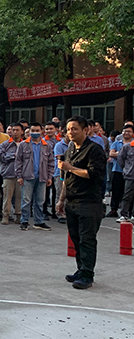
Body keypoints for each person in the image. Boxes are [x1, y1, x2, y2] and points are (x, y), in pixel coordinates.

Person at [56, 116, 107, 290]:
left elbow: (93, 174)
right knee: (76, 238)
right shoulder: (70, 148)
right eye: (68, 129)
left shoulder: (94, 150)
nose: (70, 132)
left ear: (85, 130)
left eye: (74, 129)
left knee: (87, 240)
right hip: (72, 201)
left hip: (88, 202)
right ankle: (81, 269)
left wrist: (70, 168)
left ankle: (87, 274)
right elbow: (66, 177)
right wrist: (61, 200)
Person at [14, 122, 54, 231]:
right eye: (33, 131)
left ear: (42, 131)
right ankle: (24, 221)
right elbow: (18, 162)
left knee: (40, 201)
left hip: (42, 177)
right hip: (27, 177)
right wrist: (19, 176)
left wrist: (49, 177)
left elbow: (51, 162)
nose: (35, 133)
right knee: (26, 200)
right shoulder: (23, 145)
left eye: (37, 131)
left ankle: (39, 221)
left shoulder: (47, 146)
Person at [0, 122, 24, 225]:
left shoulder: (25, 144)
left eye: (17, 130)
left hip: (21, 175)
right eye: (13, 130)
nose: (15, 132)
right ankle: (6, 215)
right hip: (8, 174)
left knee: (20, 196)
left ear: (22, 132)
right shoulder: (6, 144)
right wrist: (13, 155)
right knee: (7, 197)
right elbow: (0, 155)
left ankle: (19, 215)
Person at [109, 125, 133, 220]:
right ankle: (122, 213)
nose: (126, 133)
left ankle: (132, 214)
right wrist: (126, 168)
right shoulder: (124, 146)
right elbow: (120, 159)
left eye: (129, 131)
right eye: (125, 131)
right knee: (124, 194)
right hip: (126, 173)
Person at [116, 126, 134, 222]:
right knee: (127, 195)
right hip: (130, 175)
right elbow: (120, 159)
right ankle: (124, 214)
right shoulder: (127, 147)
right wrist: (126, 169)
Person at [53, 129, 70, 224]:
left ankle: (67, 212)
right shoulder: (59, 145)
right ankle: (59, 213)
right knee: (60, 193)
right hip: (59, 173)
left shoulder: (74, 145)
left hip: (71, 172)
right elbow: (60, 159)